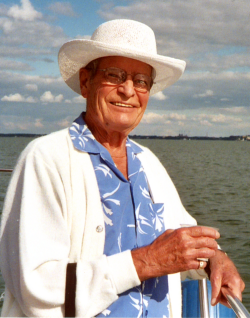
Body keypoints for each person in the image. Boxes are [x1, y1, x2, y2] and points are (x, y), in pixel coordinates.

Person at [0, 19, 244, 318]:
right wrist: (146, 262)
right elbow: (33, 285)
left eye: (141, 81)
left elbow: (182, 236)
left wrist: (216, 258)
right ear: (86, 82)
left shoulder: (148, 162)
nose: (129, 90)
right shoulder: (46, 157)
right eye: (115, 75)